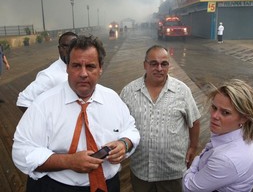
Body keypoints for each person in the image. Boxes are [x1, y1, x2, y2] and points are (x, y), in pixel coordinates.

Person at [12, 35, 140, 192]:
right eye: (76, 66)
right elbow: (21, 151)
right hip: (59, 188)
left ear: (101, 68)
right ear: (67, 68)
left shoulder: (112, 98)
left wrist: (124, 143)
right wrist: (68, 161)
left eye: (91, 66)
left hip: (109, 186)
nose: (83, 73)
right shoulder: (43, 104)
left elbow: (131, 128)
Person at [120, 45, 201, 192]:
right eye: (153, 63)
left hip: (172, 172)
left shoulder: (182, 91)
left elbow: (194, 120)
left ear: (168, 66)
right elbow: (120, 124)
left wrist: (193, 146)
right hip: (141, 170)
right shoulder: (129, 91)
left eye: (164, 64)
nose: (159, 68)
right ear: (145, 65)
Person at [183, 79, 253, 192]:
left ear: (244, 118)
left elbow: (188, 187)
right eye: (214, 108)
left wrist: (196, 161)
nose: (214, 116)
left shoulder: (226, 160)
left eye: (225, 113)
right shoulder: (243, 134)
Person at [16, 31, 78, 112]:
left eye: (74, 46)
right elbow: (23, 101)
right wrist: (44, 121)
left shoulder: (80, 69)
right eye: (66, 46)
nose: (70, 50)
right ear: (59, 49)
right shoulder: (50, 74)